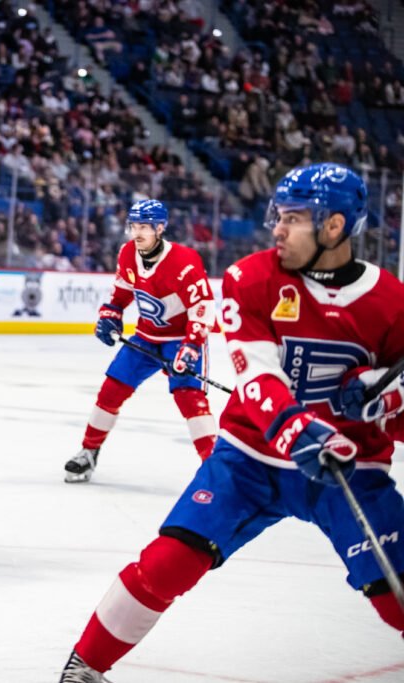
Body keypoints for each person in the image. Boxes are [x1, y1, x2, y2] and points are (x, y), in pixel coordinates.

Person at [59, 163, 404, 681]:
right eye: (278, 216)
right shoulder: (252, 278)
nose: (277, 229)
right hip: (249, 459)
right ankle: (84, 668)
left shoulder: (391, 303)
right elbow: (257, 378)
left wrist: (386, 401)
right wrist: (296, 429)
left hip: (348, 470)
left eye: (294, 218)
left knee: (394, 593)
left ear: (334, 226)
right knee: (166, 562)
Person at [65, 199, 217, 483]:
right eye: (134, 226)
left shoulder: (185, 262)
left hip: (180, 340)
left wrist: (192, 346)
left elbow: (203, 308)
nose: (137, 233)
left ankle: (217, 470)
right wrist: (111, 315)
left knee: (190, 398)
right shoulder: (128, 253)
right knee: (111, 390)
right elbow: (121, 294)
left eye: (144, 227)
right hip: (145, 338)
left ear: (160, 228)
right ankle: (88, 452)